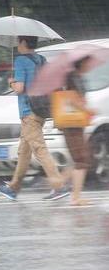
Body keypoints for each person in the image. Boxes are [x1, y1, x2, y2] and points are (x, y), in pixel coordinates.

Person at [0, 36, 69, 201]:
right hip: (41, 109)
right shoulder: (41, 60)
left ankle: (59, 186)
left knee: (40, 149)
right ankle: (13, 188)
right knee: (24, 152)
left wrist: (11, 82)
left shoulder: (21, 61)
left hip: (28, 112)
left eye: (18, 41)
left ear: (23, 43)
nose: (17, 44)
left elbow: (20, 88)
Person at [63, 57, 95, 206]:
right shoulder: (73, 77)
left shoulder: (77, 77)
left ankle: (58, 183)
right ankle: (75, 197)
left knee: (80, 158)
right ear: (82, 62)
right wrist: (87, 110)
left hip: (76, 123)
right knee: (81, 159)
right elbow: (71, 100)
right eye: (88, 62)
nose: (90, 64)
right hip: (72, 123)